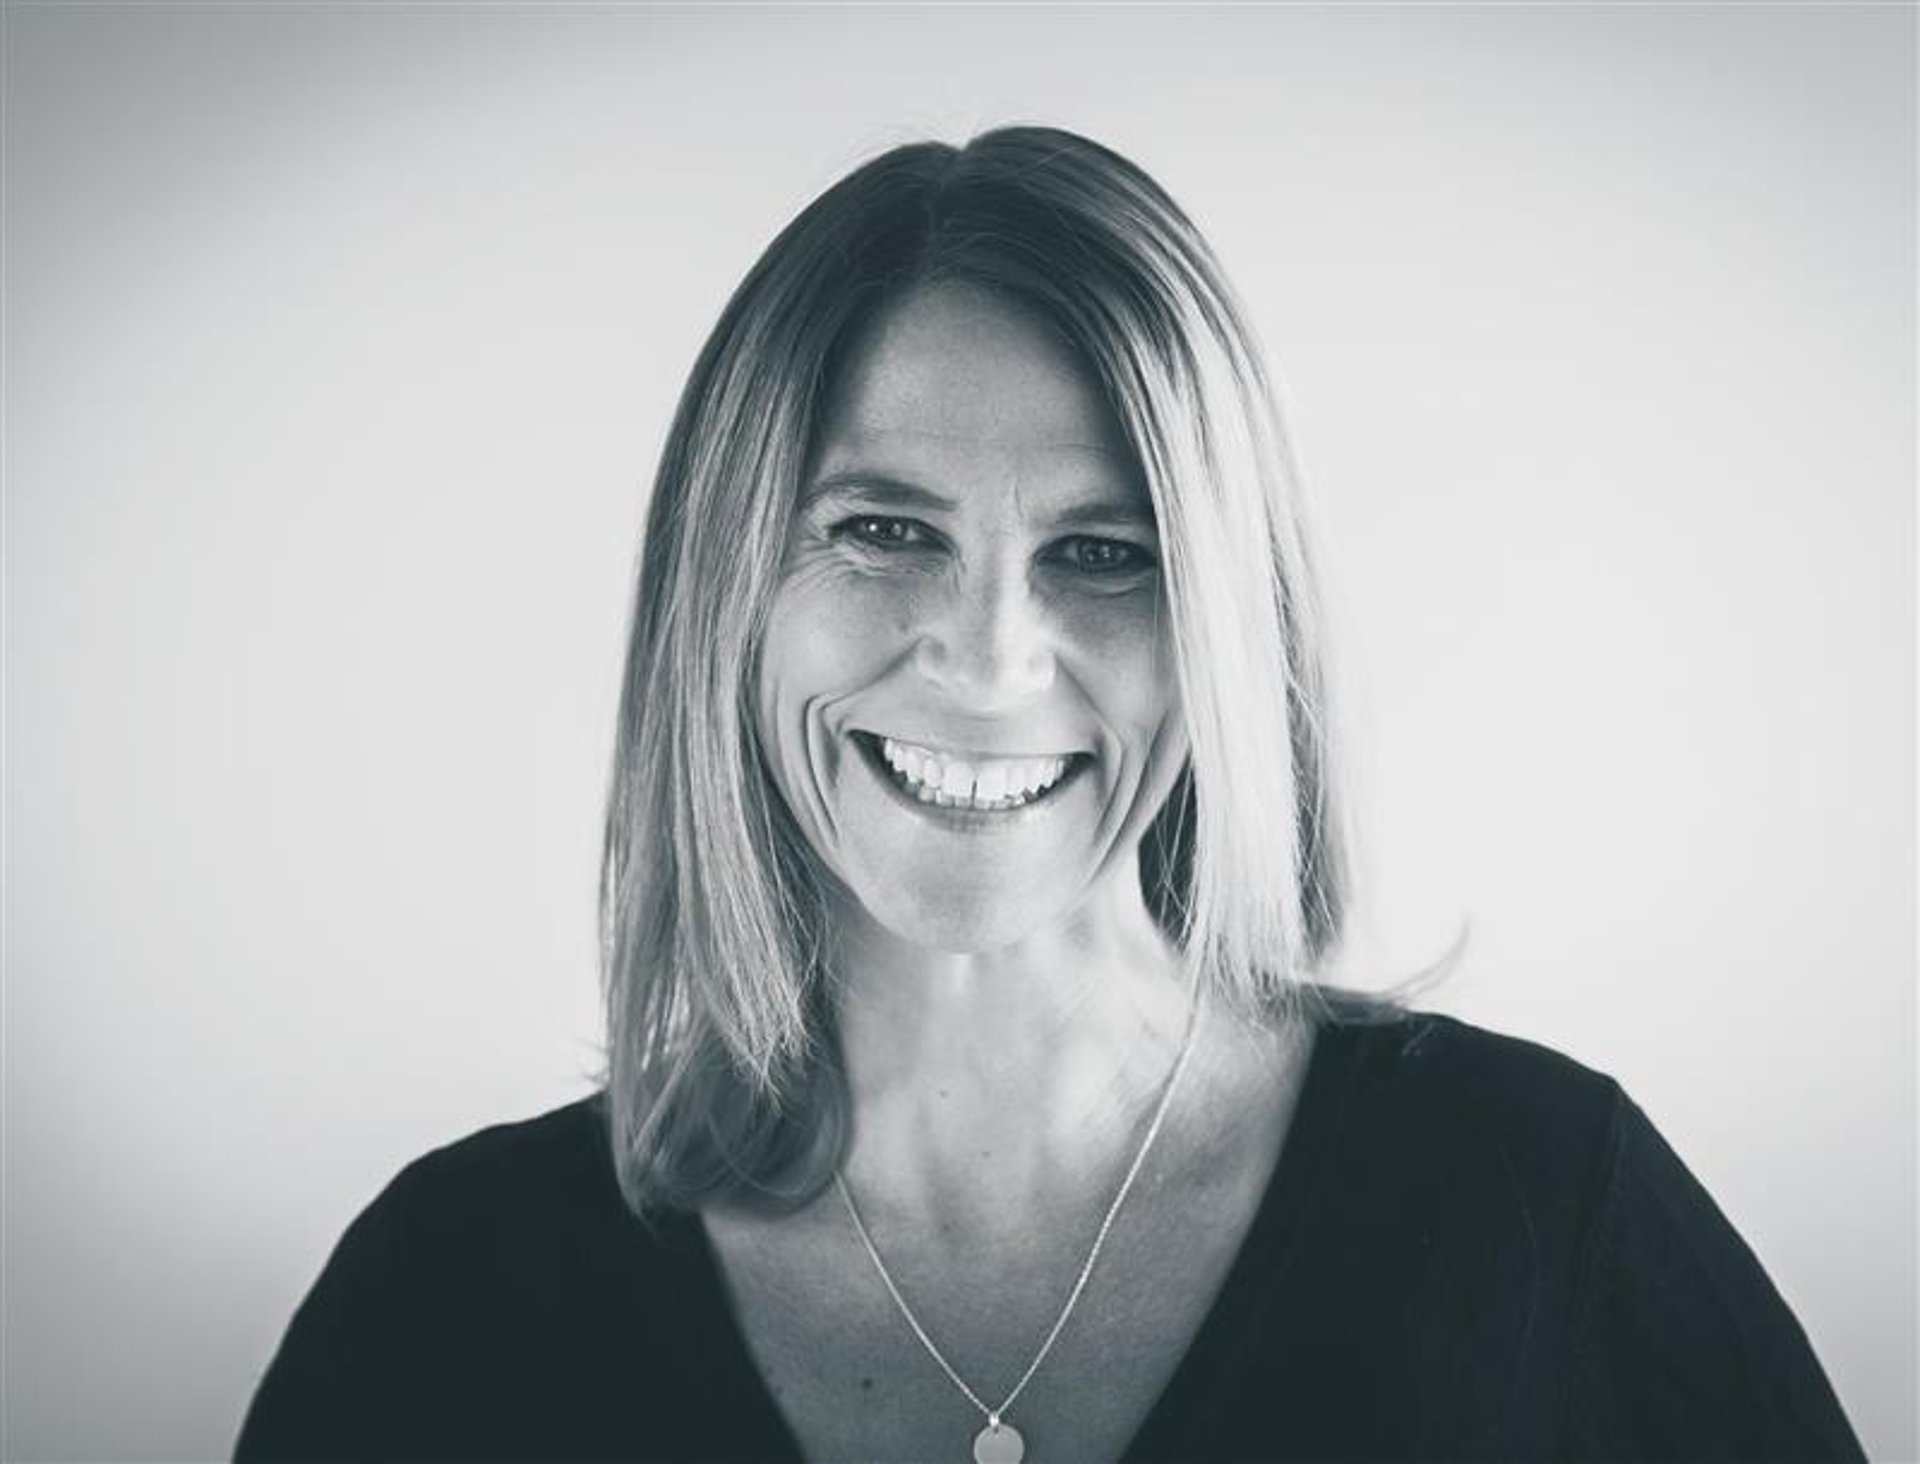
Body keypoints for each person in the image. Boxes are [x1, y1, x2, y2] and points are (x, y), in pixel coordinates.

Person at [235, 126, 1863, 1463]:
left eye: (1106, 555)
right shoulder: (448, 1292)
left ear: (1227, 625)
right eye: (883, 530)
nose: (994, 660)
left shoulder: (1538, 1207)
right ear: (723, 586)